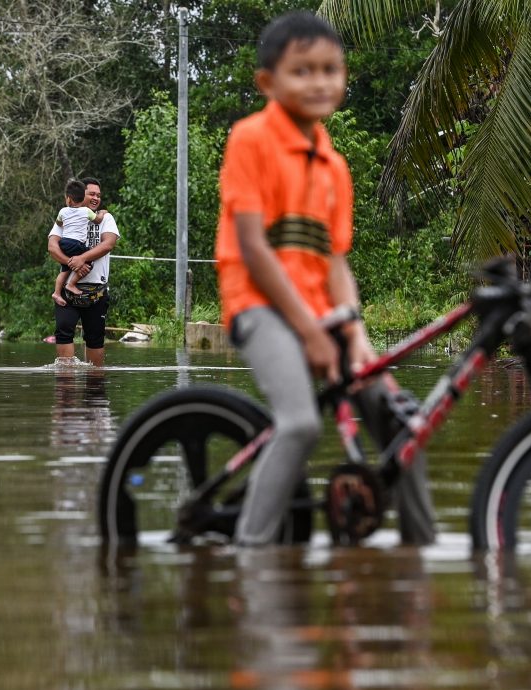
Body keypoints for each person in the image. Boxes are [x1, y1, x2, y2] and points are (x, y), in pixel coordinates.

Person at [215, 11, 435, 546]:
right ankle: (253, 554)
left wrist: (355, 336)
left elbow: (336, 265)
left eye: (330, 70)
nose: (319, 82)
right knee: (300, 424)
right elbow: (253, 249)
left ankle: (418, 558)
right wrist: (311, 333)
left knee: (401, 422)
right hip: (258, 305)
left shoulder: (334, 166)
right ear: (268, 82)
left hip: (322, 313)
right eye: (302, 70)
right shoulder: (251, 140)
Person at [48, 177, 119, 366]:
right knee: (63, 331)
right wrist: (73, 263)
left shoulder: (106, 218)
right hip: (68, 289)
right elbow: (52, 247)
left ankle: (95, 382)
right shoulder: (66, 214)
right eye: (91, 194)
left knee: (95, 337)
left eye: (99, 195)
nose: (96, 198)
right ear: (80, 196)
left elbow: (108, 244)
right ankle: (66, 382)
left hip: (96, 290)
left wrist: (83, 258)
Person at [52, 178, 108, 306]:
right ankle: (71, 284)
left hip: (64, 243)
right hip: (77, 244)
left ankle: (56, 292)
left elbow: (59, 223)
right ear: (83, 199)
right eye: (92, 194)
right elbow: (98, 220)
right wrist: (102, 212)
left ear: (68, 199)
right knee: (89, 258)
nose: (96, 198)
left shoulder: (62, 211)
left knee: (64, 270)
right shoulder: (86, 211)